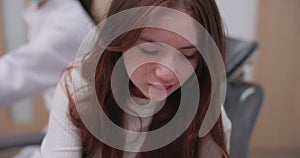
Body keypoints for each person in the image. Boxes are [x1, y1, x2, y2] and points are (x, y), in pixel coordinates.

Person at [41, 0, 232, 157]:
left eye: (188, 55)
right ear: (119, 39)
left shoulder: (207, 116)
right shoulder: (79, 85)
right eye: (150, 50)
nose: (166, 73)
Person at [0, 0, 93, 110]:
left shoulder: (67, 25)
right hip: (63, 112)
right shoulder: (41, 8)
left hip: (81, 118)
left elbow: (14, 73)